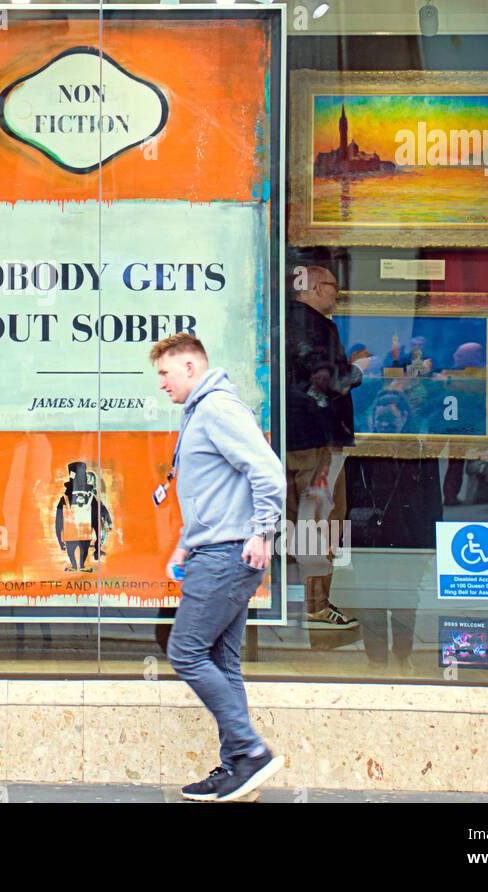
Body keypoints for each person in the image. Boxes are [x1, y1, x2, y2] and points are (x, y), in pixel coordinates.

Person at [153, 331, 286, 802]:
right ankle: (238, 770)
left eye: (165, 374)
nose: (162, 385)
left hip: (230, 554)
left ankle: (251, 752)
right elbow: (214, 493)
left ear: (190, 367)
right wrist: (185, 545)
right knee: (222, 660)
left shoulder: (218, 410)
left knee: (185, 651)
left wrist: (262, 532)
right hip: (217, 550)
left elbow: (267, 472)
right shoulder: (201, 414)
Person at [284, 265, 360, 630]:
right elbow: (327, 379)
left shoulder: (284, 320)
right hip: (319, 440)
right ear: (314, 288)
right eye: (333, 287)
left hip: (291, 437)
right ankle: (315, 604)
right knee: (320, 522)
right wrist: (357, 370)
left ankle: (281, 602)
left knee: (290, 520)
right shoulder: (315, 326)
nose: (337, 294)